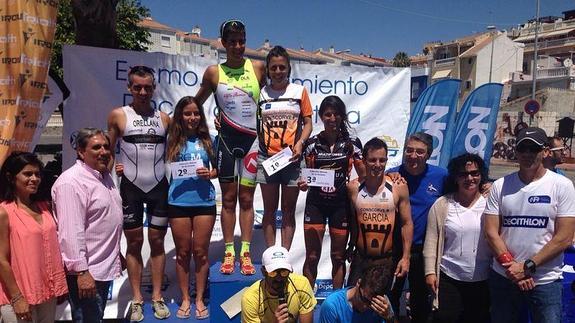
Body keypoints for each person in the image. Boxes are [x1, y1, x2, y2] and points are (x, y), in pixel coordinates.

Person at [195, 19, 266, 275]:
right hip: (226, 142)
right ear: (223, 43)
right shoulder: (214, 72)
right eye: (232, 41)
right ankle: (229, 252)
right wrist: (202, 132)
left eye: (242, 40)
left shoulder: (258, 68)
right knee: (227, 200)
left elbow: (273, 98)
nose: (238, 46)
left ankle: (245, 253)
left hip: (252, 144)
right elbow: (195, 105)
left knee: (246, 199)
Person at [484, 127, 575, 323]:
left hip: (545, 281)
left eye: (533, 149)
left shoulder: (562, 185)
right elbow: (491, 232)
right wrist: (513, 269)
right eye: (522, 148)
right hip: (505, 277)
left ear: (545, 152)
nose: (527, 154)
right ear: (515, 151)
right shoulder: (500, 185)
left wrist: (527, 267)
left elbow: (564, 237)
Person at [107, 65, 171, 320]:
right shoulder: (118, 116)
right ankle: (136, 299)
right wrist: (110, 180)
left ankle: (157, 297)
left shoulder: (164, 119)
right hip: (131, 189)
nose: (143, 92)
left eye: (147, 87)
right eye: (137, 87)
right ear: (129, 88)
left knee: (157, 242)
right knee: (134, 243)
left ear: (154, 88)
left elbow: (178, 148)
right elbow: (107, 153)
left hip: (158, 187)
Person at [51, 128, 123, 322]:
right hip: (86, 272)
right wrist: (81, 273)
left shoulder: (104, 175)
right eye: (96, 147)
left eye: (106, 147)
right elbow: (71, 233)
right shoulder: (71, 182)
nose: (103, 151)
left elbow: (105, 219)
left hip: (102, 268)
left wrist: (118, 254)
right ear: (81, 152)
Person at [298, 95, 365, 290]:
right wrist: (302, 183)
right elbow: (301, 174)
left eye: (336, 114)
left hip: (340, 205)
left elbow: (364, 175)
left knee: (338, 257)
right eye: (328, 114)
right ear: (321, 117)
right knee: (311, 256)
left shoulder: (352, 143)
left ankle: (336, 302)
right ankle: (306, 301)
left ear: (342, 116)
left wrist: (355, 185)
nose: (332, 118)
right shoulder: (311, 143)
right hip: (315, 203)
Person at [423, 153, 491, 323]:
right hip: (449, 277)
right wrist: (430, 272)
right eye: (463, 174)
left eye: (475, 173)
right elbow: (431, 242)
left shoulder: (492, 203)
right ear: (455, 177)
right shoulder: (442, 204)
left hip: (483, 279)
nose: (470, 178)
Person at [166, 96, 217, 320]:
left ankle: (199, 299)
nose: (192, 118)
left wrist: (210, 174)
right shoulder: (170, 140)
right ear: (180, 116)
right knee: (183, 253)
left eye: (196, 113)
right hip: (178, 202)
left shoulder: (209, 140)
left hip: (204, 202)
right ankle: (185, 298)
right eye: (187, 113)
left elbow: (220, 169)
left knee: (201, 253)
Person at [0, 152, 68, 323]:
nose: (34, 179)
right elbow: (1, 259)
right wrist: (17, 298)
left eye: (37, 174)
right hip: (19, 295)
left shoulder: (44, 206)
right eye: (27, 174)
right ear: (11, 177)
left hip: (47, 292)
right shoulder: (4, 212)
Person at [387, 132, 448, 322]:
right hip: (394, 248)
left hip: (424, 250)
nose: (413, 156)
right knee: (389, 298)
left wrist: (485, 186)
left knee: (420, 302)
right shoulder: (391, 176)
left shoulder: (441, 176)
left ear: (429, 154)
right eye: (409, 150)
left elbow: (464, 190)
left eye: (419, 152)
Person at [257, 46, 313, 250]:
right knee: (269, 210)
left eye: (282, 67)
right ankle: (272, 256)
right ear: (268, 70)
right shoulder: (261, 93)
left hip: (292, 158)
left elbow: (308, 123)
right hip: (267, 159)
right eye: (274, 68)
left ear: (289, 68)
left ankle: (284, 256)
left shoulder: (299, 92)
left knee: (288, 211)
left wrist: (300, 143)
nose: (278, 71)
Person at [347, 137, 413, 287]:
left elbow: (407, 223)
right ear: (363, 160)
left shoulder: (398, 187)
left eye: (382, 160)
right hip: (361, 258)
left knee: (381, 306)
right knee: (352, 303)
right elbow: (353, 219)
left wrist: (406, 257)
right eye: (372, 160)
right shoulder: (353, 188)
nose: (377, 165)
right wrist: (351, 244)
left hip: (387, 260)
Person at [241, 246, 317, 323]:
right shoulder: (251, 298)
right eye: (273, 273)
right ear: (263, 272)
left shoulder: (301, 284)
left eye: (284, 272)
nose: (279, 278)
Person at [319, 265, 394, 322]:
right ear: (358, 283)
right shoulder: (333, 306)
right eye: (364, 299)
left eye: (372, 303)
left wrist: (388, 317)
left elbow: (391, 318)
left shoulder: (382, 306)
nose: (365, 306)